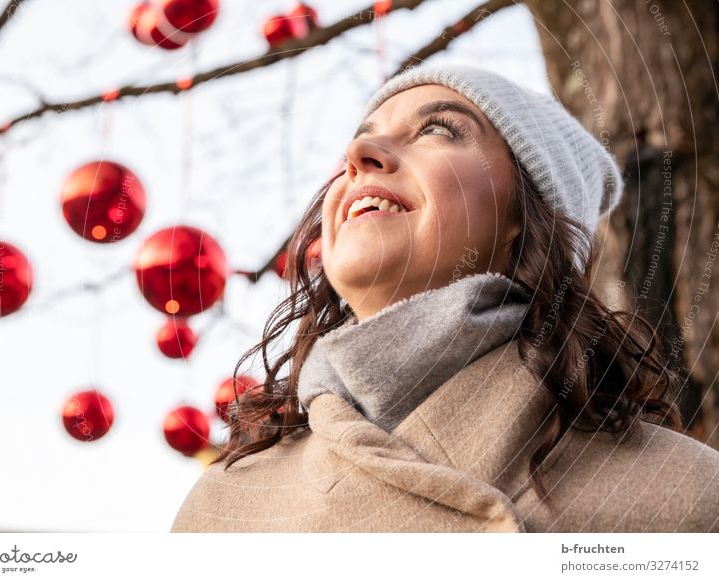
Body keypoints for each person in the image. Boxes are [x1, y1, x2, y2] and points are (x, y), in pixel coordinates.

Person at [170, 63, 719, 533]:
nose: (359, 153)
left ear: (522, 218)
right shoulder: (223, 509)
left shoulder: (686, 495)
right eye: (362, 138)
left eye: (437, 130)